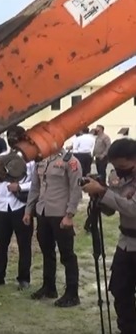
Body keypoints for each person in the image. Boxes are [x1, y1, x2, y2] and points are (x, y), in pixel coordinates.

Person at [80, 138, 136, 333]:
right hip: (126, 243)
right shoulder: (122, 178)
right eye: (116, 166)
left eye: (123, 166)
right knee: (120, 289)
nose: (119, 171)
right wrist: (98, 194)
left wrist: (103, 192)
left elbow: (132, 209)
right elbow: (111, 210)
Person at [23, 148, 83, 308]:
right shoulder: (41, 160)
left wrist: (70, 214)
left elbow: (76, 189)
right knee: (47, 251)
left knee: (67, 255)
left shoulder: (71, 161)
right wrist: (28, 210)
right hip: (43, 212)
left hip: (60, 213)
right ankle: (49, 287)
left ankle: (72, 293)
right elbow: (35, 187)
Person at [0, 126, 34, 291]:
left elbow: (36, 183)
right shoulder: (1, 158)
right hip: (2, 208)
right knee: (1, 244)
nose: (12, 138)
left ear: (23, 137)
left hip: (21, 206)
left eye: (15, 135)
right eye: (9, 135)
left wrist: (20, 187)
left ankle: (24, 278)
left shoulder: (30, 160)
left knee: (24, 245)